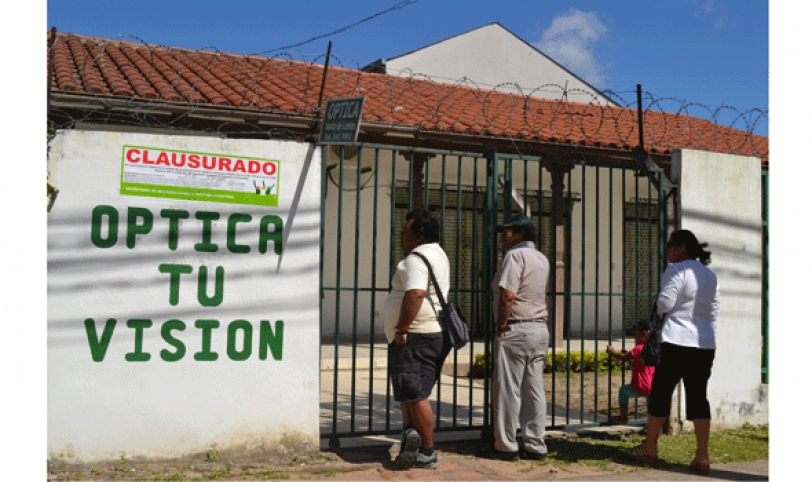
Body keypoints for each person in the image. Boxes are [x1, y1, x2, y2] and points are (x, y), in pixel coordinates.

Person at [625, 229, 720, 476]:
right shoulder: (709, 275)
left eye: (671, 245)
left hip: (676, 340)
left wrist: (658, 302)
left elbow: (665, 304)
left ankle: (650, 448)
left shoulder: (677, 270)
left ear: (683, 247)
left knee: (661, 392)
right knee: (698, 396)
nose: (668, 250)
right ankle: (702, 457)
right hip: (704, 343)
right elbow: (714, 310)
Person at [384, 208, 450, 470]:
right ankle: (410, 436)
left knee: (416, 393)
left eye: (406, 231)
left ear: (418, 235)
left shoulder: (416, 258)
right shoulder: (439, 254)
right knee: (409, 391)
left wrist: (401, 329)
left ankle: (427, 451)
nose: (402, 236)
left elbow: (415, 294)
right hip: (425, 334)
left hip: (415, 335)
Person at [488, 213, 550, 461]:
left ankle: (506, 444)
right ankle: (536, 443)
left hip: (516, 328)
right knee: (534, 389)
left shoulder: (514, 256)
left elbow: (508, 295)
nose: (505, 236)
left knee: (508, 389)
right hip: (539, 329)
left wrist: (501, 326)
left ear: (521, 234)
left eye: (509, 231)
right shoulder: (542, 258)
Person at [605, 319, 656, 424]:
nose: (634, 338)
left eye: (636, 335)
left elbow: (624, 358)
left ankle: (623, 418)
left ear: (644, 335)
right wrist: (629, 353)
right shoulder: (652, 349)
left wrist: (612, 352)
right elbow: (638, 360)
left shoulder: (638, 348)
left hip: (640, 386)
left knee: (623, 391)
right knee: (651, 405)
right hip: (653, 386)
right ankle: (652, 425)